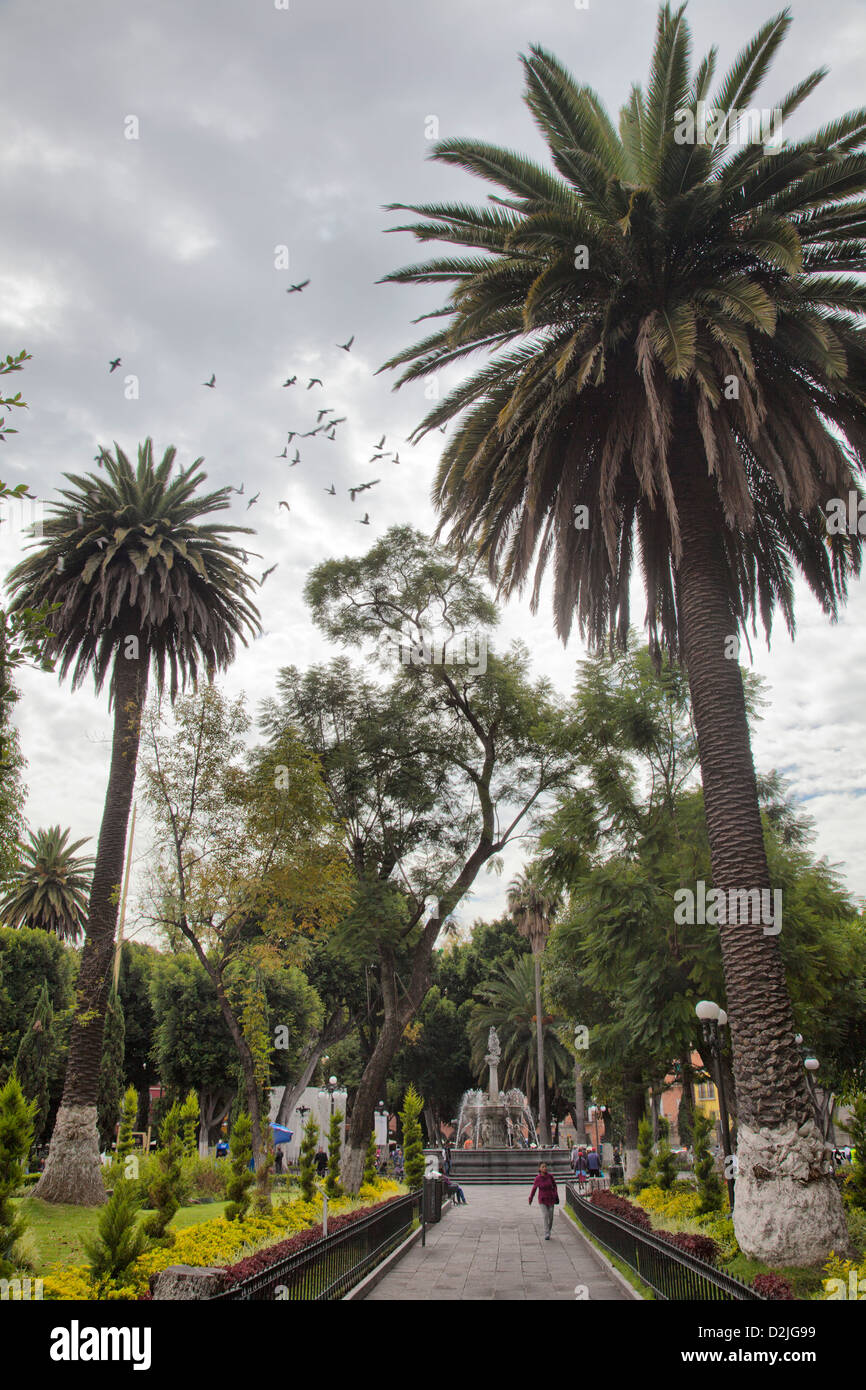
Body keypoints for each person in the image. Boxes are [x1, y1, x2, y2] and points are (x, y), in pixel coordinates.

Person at [528, 1161, 559, 1239]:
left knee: (551, 1216)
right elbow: (534, 1189)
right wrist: (531, 1198)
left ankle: (549, 1230)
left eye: (545, 1166)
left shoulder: (550, 1176)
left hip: (551, 1198)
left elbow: (555, 1185)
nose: (545, 1168)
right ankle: (546, 1233)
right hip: (542, 1199)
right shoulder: (538, 1178)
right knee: (545, 1215)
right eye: (543, 1167)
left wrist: (555, 1194)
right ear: (539, 1168)